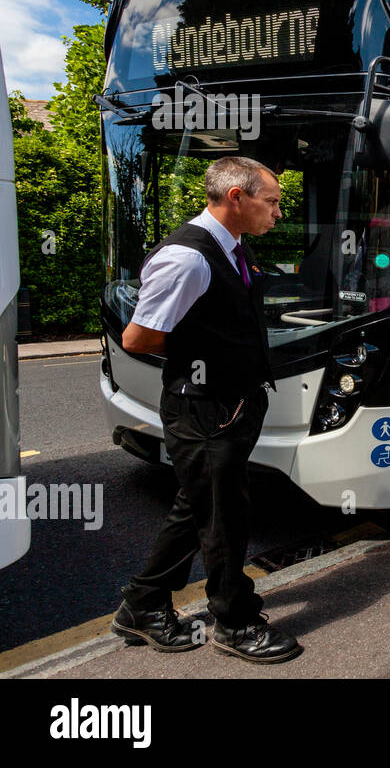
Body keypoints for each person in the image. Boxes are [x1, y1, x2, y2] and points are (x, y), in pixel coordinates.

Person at [113, 156, 301, 664]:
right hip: (204, 409)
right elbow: (138, 337)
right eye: (273, 201)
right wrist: (207, 363)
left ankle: (144, 605)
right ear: (236, 198)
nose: (278, 214)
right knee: (225, 520)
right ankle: (236, 623)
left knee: (199, 507)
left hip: (228, 407)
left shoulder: (231, 248)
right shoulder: (189, 258)